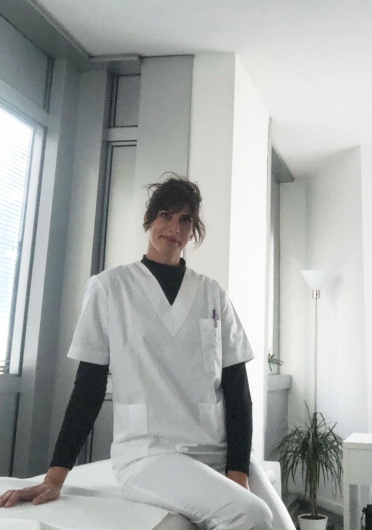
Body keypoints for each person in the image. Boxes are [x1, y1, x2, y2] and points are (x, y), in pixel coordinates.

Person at [0, 176, 295, 530]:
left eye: (185, 220)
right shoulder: (109, 288)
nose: (174, 228)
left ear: (193, 230)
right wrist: (55, 477)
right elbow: (88, 389)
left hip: (215, 449)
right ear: (149, 219)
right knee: (251, 515)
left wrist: (238, 473)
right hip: (150, 455)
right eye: (166, 215)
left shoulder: (212, 293)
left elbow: (237, 391)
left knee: (282, 525)